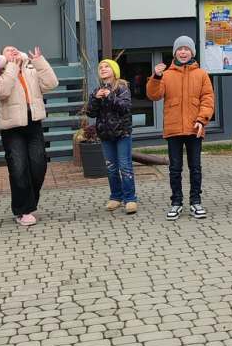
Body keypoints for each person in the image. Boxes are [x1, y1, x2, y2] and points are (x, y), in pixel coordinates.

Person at [0, 45, 59, 227]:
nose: (12, 51)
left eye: (14, 49)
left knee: (39, 166)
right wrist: (12, 67)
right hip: (12, 128)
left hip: (34, 123)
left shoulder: (30, 68)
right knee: (18, 168)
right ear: (1, 57)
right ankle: (23, 210)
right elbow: (2, 91)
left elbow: (52, 83)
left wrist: (39, 62)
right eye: (7, 50)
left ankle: (28, 203)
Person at [147, 36, 215, 219]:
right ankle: (176, 202)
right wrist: (156, 77)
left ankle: (195, 202)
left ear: (192, 52)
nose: (183, 52)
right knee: (175, 168)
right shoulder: (166, 74)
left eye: (186, 49)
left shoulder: (201, 74)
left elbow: (208, 99)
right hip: (173, 129)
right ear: (174, 52)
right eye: (179, 49)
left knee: (195, 167)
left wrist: (202, 120)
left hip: (195, 128)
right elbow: (153, 95)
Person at [87, 58, 138, 215]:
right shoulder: (97, 90)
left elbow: (125, 107)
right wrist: (95, 98)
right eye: (101, 67)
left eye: (107, 66)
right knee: (111, 167)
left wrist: (110, 96)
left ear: (114, 71)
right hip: (105, 135)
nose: (103, 69)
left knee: (125, 166)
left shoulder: (122, 88)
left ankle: (130, 199)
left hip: (122, 133)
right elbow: (90, 112)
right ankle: (116, 196)